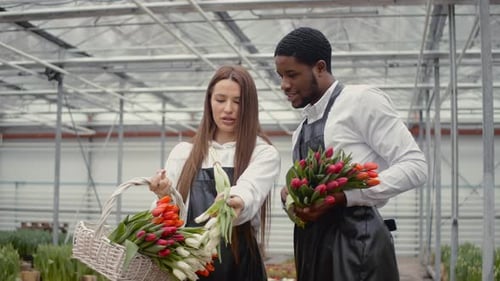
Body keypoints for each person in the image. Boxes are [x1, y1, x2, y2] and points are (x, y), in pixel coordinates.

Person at [274, 27, 428, 281]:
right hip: (311, 249)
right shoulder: (300, 130)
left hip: (357, 247)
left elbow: (415, 166)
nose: (284, 85)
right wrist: (290, 197)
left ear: (320, 67)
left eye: (292, 74)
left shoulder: (360, 101)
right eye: (280, 75)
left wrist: (344, 196)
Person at [148, 65, 281, 281]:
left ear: (250, 106)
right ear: (209, 102)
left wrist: (236, 200)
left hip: (240, 267)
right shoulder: (184, 152)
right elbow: (172, 213)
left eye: (238, 101)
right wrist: (163, 195)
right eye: (220, 100)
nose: (229, 109)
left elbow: (250, 189)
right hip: (190, 264)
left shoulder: (262, 153)